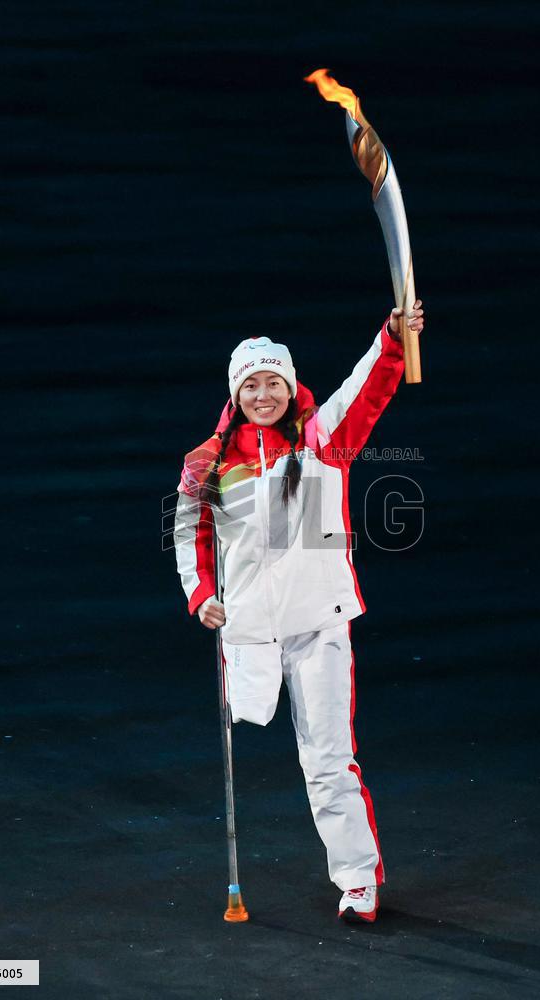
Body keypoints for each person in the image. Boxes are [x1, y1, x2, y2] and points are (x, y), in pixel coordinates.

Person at [173, 300, 425, 923]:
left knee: (327, 759)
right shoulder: (206, 462)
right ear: (236, 392)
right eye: (251, 384)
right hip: (250, 632)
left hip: (318, 625)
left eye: (274, 382)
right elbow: (190, 534)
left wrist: (392, 338)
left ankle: (358, 881)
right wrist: (202, 594)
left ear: (291, 386)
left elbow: (365, 389)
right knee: (254, 729)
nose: (264, 394)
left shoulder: (320, 442)